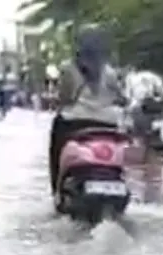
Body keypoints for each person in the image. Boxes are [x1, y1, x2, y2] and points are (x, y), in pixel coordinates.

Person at [50, 26, 126, 195]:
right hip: (108, 123)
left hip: (74, 121)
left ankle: (57, 189)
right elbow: (121, 98)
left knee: (56, 143)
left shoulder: (68, 68)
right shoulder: (110, 72)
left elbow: (65, 97)